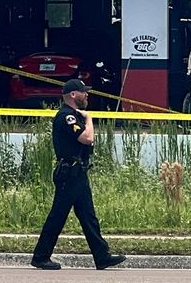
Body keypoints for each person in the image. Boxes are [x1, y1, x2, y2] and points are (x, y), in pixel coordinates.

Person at [30, 79, 126, 271]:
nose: (87, 95)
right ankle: (41, 257)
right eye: (83, 92)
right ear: (73, 95)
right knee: (57, 216)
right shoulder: (67, 117)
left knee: (88, 216)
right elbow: (87, 138)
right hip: (69, 174)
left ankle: (102, 256)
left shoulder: (75, 116)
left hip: (78, 173)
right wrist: (89, 119)